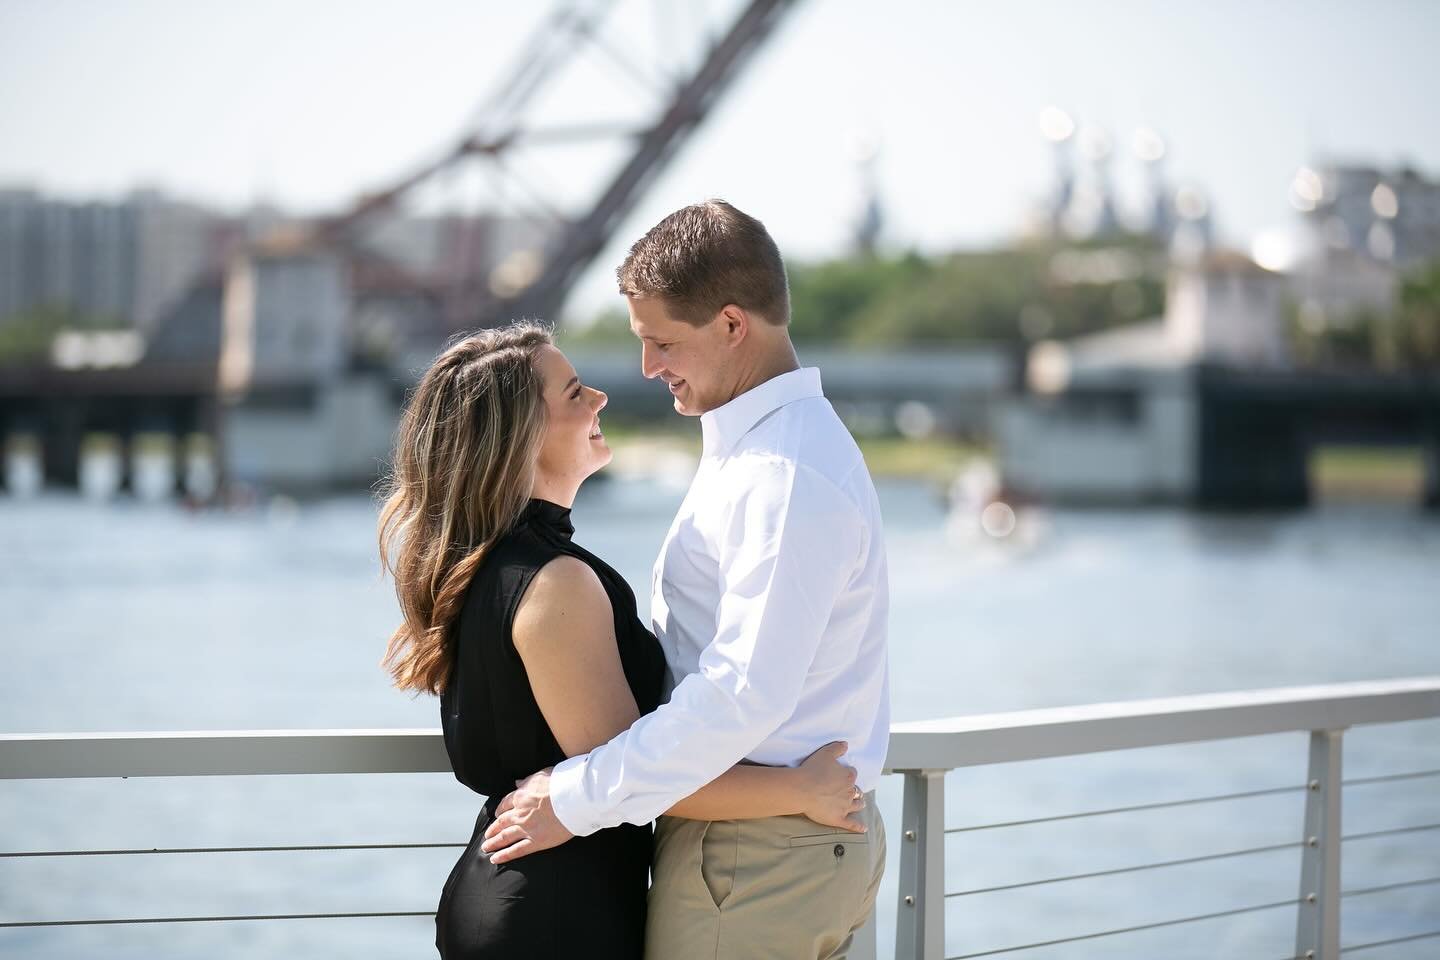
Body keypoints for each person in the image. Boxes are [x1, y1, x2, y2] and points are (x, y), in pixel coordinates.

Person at [377, 320, 866, 959]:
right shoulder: (556, 584)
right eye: (575, 392)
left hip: (529, 897)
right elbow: (632, 771)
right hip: (553, 915)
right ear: (523, 438)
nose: (601, 399)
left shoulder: (496, 564)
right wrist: (801, 791)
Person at [481, 200, 891, 960]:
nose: (647, 368)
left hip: (752, 864)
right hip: (771, 851)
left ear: (733, 325)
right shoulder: (762, 451)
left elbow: (742, 692)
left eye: (662, 341)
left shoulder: (782, 474)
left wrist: (572, 801)